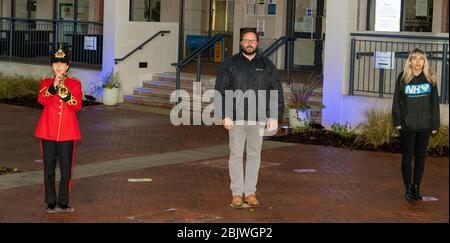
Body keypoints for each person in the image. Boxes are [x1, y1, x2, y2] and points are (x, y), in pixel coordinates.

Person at [215, 28, 285, 208]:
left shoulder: (267, 65)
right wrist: (225, 114)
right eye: (246, 40)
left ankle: (251, 193)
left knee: (254, 156)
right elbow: (221, 91)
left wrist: (274, 116)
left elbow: (276, 91)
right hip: (236, 118)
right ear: (241, 43)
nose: (249, 43)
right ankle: (237, 194)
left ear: (257, 43)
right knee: (236, 155)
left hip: (259, 118)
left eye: (253, 40)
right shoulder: (230, 64)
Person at [35, 48, 82, 213]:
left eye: (62, 63)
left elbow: (76, 105)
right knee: (48, 169)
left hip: (68, 132)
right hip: (47, 131)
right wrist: (54, 87)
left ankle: (63, 202)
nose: (58, 66)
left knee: (66, 169)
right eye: (55, 63)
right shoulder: (46, 82)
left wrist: (64, 92)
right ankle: (50, 201)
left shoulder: (75, 83)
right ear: (51, 66)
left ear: (68, 66)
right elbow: (41, 100)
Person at [392, 48, 440, 202]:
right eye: (415, 58)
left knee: (420, 157)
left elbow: (435, 103)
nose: (418, 61)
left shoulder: (430, 78)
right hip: (407, 125)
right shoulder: (403, 77)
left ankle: (416, 188)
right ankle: (408, 187)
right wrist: (397, 121)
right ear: (410, 61)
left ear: (424, 61)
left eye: (421, 58)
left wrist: (435, 123)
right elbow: (396, 101)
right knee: (407, 156)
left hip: (424, 125)